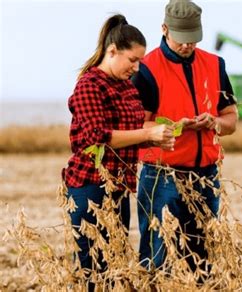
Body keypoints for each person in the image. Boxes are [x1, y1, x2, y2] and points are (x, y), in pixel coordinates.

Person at [62, 14, 175, 281]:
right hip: (89, 187)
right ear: (112, 51)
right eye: (132, 60)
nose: (137, 68)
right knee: (93, 271)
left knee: (114, 266)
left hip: (119, 189)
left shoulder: (127, 87)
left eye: (140, 61)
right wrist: (147, 132)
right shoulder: (90, 85)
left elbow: (128, 135)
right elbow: (96, 137)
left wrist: (155, 138)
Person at [132, 0, 238, 277]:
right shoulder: (146, 68)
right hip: (161, 175)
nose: (188, 45)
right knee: (157, 254)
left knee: (202, 257)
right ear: (165, 29)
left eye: (193, 39)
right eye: (182, 39)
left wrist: (214, 122)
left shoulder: (216, 64)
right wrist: (177, 127)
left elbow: (231, 120)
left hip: (206, 175)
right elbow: (138, 126)